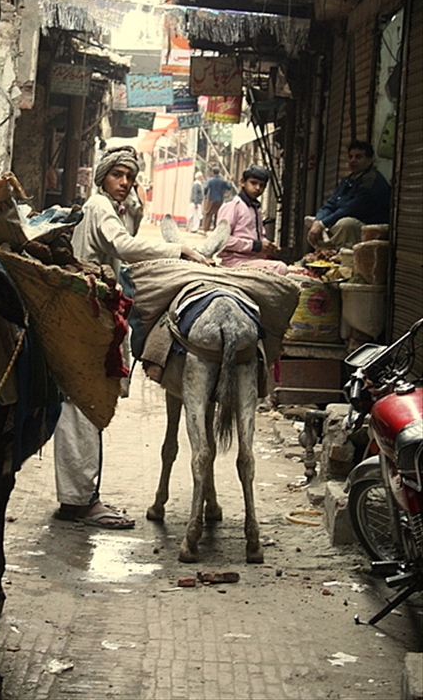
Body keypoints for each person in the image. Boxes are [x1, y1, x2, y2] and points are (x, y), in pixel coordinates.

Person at [54, 146, 209, 529]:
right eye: (117, 176)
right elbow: (123, 246)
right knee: (84, 402)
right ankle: (79, 501)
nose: (124, 184)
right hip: (87, 312)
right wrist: (179, 250)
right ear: (103, 177)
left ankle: (81, 496)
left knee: (87, 400)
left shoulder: (115, 208)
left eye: (130, 178)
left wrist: (136, 209)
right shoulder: (99, 207)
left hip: (95, 309)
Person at [306, 140, 391, 249]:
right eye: (350, 157)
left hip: (369, 230)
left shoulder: (371, 181)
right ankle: (325, 255)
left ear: (369, 160)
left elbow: (350, 208)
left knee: (346, 224)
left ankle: (337, 255)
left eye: (358, 157)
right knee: (313, 223)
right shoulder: (348, 180)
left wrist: (322, 224)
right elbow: (330, 204)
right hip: (344, 223)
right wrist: (318, 222)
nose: (353, 161)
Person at [216, 165, 287, 276]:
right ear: (242, 182)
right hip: (235, 262)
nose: (258, 188)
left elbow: (259, 237)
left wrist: (268, 246)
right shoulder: (233, 206)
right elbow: (221, 240)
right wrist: (255, 246)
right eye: (253, 183)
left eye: (262, 185)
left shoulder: (256, 208)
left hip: (253, 260)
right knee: (280, 268)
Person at [203, 166, 233, 232]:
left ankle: (205, 229)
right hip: (220, 199)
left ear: (212, 173)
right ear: (219, 173)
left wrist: (205, 195)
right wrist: (230, 181)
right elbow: (229, 187)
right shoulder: (222, 181)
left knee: (209, 214)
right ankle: (216, 229)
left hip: (211, 199)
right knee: (218, 214)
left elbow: (206, 187)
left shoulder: (210, 180)